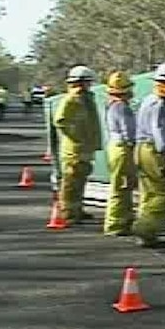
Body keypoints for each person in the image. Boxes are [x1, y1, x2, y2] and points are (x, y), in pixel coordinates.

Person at [131, 62, 165, 248]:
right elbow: (159, 130)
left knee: (149, 192)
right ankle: (144, 228)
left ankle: (147, 235)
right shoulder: (160, 104)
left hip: (141, 148)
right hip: (152, 151)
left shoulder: (148, 99)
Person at [53, 65, 102, 224]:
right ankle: (67, 213)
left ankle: (77, 210)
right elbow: (60, 121)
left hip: (85, 147)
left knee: (80, 181)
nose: (88, 85)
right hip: (74, 149)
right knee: (70, 183)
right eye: (86, 82)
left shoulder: (87, 99)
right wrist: (76, 137)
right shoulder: (71, 99)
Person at [103, 71, 137, 237]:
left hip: (115, 147)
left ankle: (124, 219)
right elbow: (128, 131)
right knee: (121, 186)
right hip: (122, 149)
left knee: (124, 186)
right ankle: (115, 224)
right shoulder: (121, 107)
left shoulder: (111, 105)